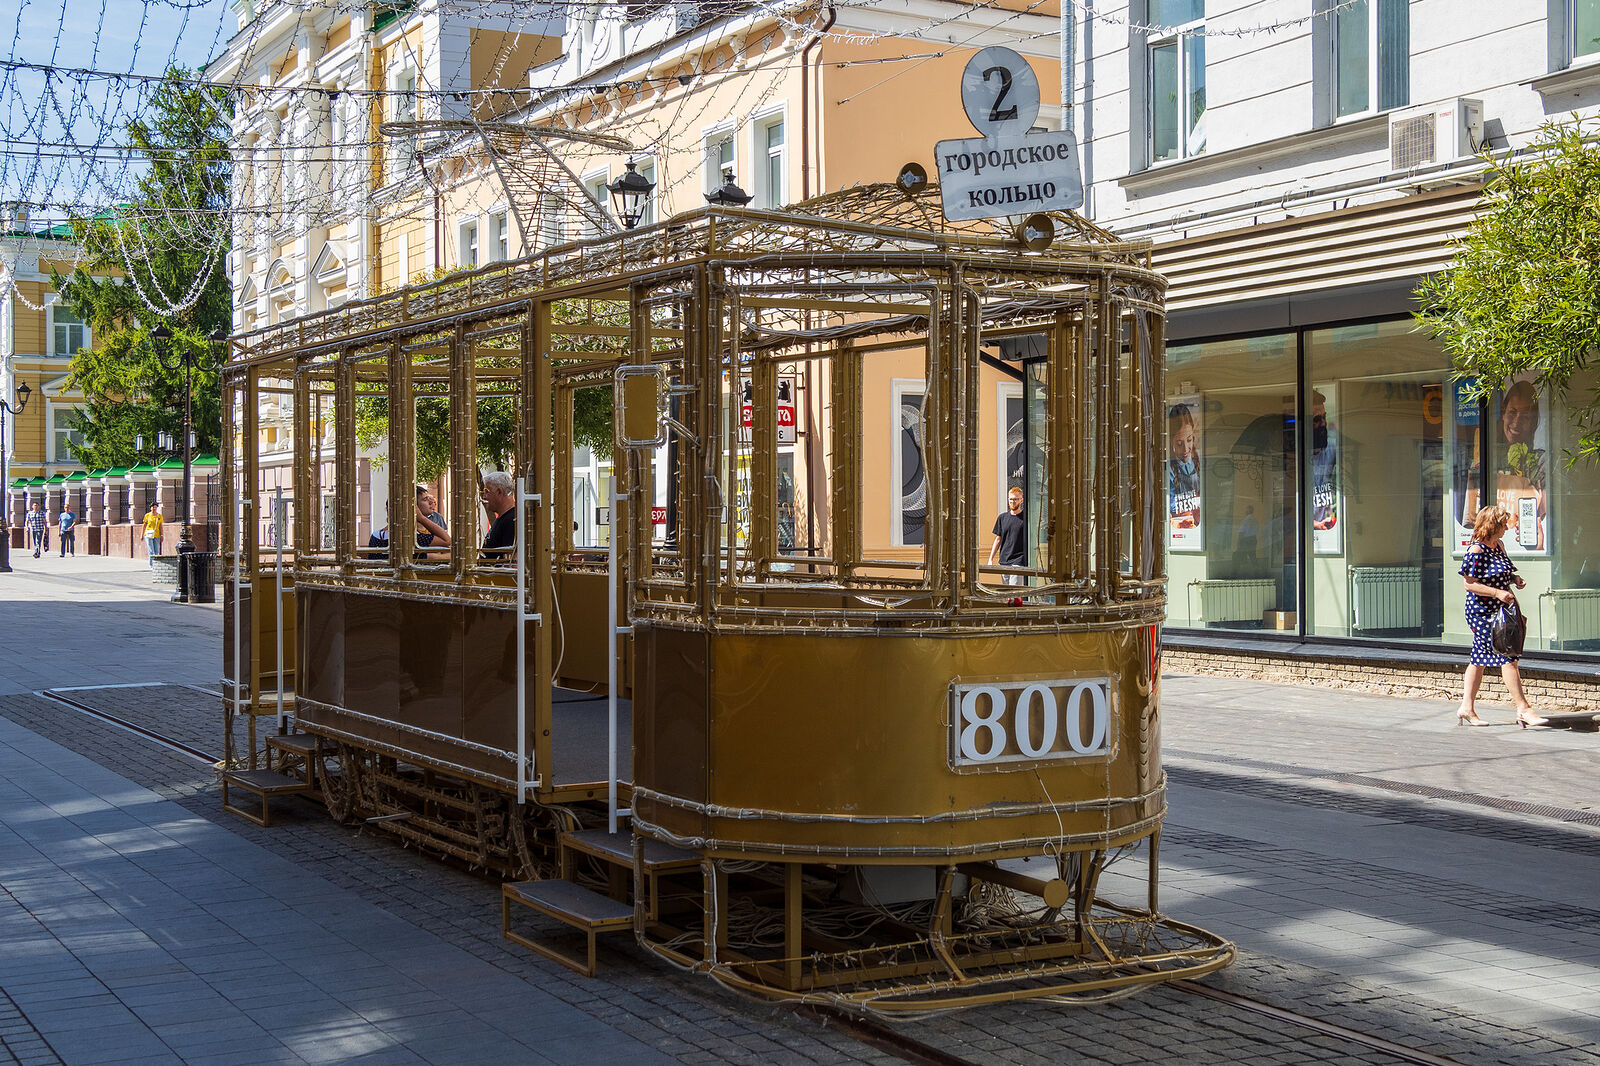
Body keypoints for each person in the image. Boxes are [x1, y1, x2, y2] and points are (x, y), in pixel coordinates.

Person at [1456, 504, 1547, 728]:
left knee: (1478, 660)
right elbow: (1469, 584)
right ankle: (1523, 709)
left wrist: (1515, 579)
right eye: (1503, 524)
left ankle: (1466, 707)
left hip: (1501, 610)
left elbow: (1503, 573)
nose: (1507, 528)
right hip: (1482, 612)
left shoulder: (1499, 546)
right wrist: (1497, 593)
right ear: (1492, 525)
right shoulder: (1476, 550)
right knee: (1508, 656)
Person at [1167, 404, 1200, 534]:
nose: (1186, 449)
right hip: (1179, 527)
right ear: (1171, 441)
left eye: (1189, 440)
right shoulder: (1168, 468)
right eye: (1179, 443)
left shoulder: (1199, 460)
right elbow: (1171, 506)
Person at [1310, 391, 1338, 533]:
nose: (1323, 423)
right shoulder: (1292, 458)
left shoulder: (1332, 448)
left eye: (1324, 417)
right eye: (1317, 419)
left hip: (1328, 533)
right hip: (1305, 537)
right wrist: (1316, 525)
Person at [987, 486, 1026, 585]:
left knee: (1014, 590)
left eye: (1016, 499)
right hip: (1004, 560)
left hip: (1018, 560)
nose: (1013, 502)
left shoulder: (1026, 518)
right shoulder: (1002, 518)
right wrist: (990, 559)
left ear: (1021, 500)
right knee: (1005, 590)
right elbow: (998, 539)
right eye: (1011, 499)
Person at [480, 471, 516, 561]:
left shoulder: (512, 520)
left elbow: (510, 560)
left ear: (499, 492)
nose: (484, 496)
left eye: (487, 491)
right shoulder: (503, 518)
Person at [142, 502, 163, 568]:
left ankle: (156, 564)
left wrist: (162, 535)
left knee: (156, 551)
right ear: (150, 508)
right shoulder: (147, 515)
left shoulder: (159, 516)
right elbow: (144, 525)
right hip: (148, 535)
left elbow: (160, 526)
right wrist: (142, 534)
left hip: (157, 535)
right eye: (153, 507)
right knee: (151, 550)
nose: (154, 508)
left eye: (155, 507)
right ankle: (151, 565)